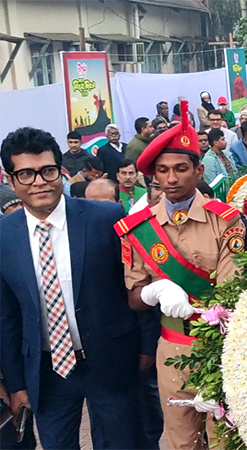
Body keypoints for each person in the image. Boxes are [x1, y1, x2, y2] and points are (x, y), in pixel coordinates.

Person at [116, 100, 246, 450]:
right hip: (172, 348)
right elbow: (133, 296)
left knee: (225, 440)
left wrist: (216, 358)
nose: (171, 178)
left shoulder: (226, 220)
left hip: (221, 346)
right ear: (153, 175)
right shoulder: (137, 229)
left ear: (198, 170)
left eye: (180, 168)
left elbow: (231, 293)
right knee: (179, 442)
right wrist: (153, 292)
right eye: (162, 170)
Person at [0, 127, 141, 449]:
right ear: (11, 180)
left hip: (109, 361)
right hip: (48, 372)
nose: (39, 182)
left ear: (60, 171)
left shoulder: (106, 218)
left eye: (47, 171)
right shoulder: (4, 237)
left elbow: (134, 282)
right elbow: (6, 318)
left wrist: (145, 347)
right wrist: (16, 383)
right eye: (26, 174)